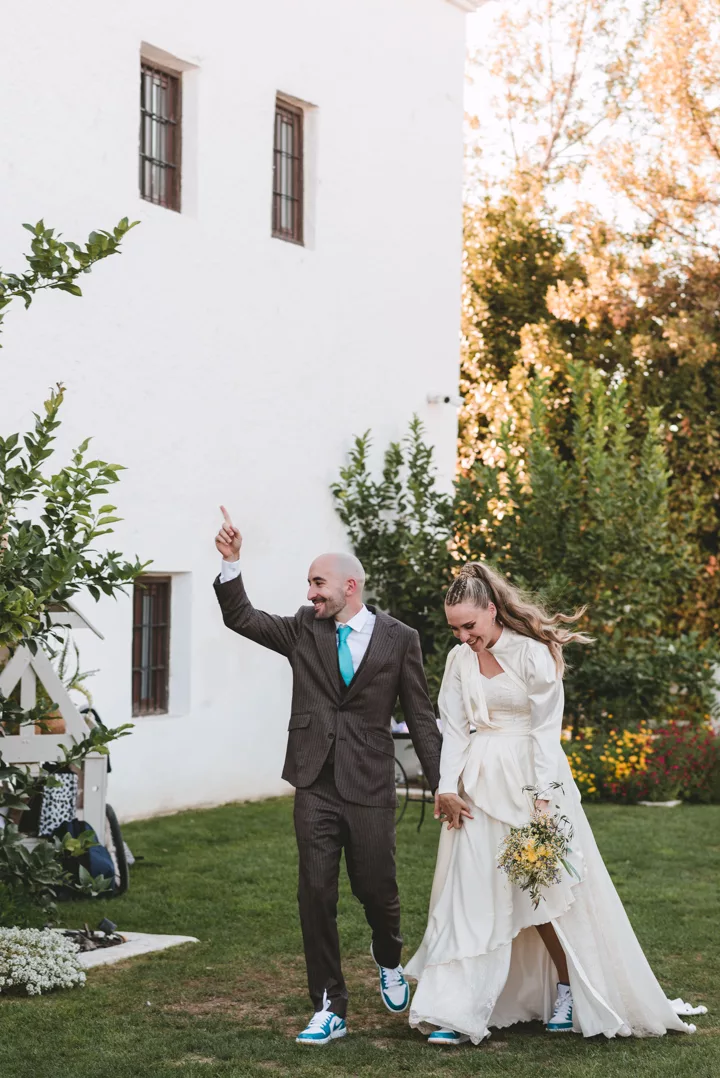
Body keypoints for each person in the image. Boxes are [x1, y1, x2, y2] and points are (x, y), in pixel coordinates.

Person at [405, 562, 701, 1045]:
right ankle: (456, 1010)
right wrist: (447, 787)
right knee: (470, 894)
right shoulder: (460, 661)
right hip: (478, 786)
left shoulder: (533, 654)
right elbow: (454, 728)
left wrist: (544, 801)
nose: (462, 637)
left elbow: (546, 732)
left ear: (493, 611)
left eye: (469, 626)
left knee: (545, 893)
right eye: (454, 628)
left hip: (530, 782)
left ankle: (568, 988)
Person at [213, 507, 442, 1046]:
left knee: (377, 889)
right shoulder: (302, 629)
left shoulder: (400, 638)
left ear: (349, 585)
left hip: (369, 785)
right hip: (313, 780)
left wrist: (442, 785)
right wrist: (230, 563)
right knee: (315, 892)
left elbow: (422, 716)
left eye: (318, 583)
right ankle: (329, 1004)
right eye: (309, 584)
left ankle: (388, 955)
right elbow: (242, 617)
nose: (312, 592)